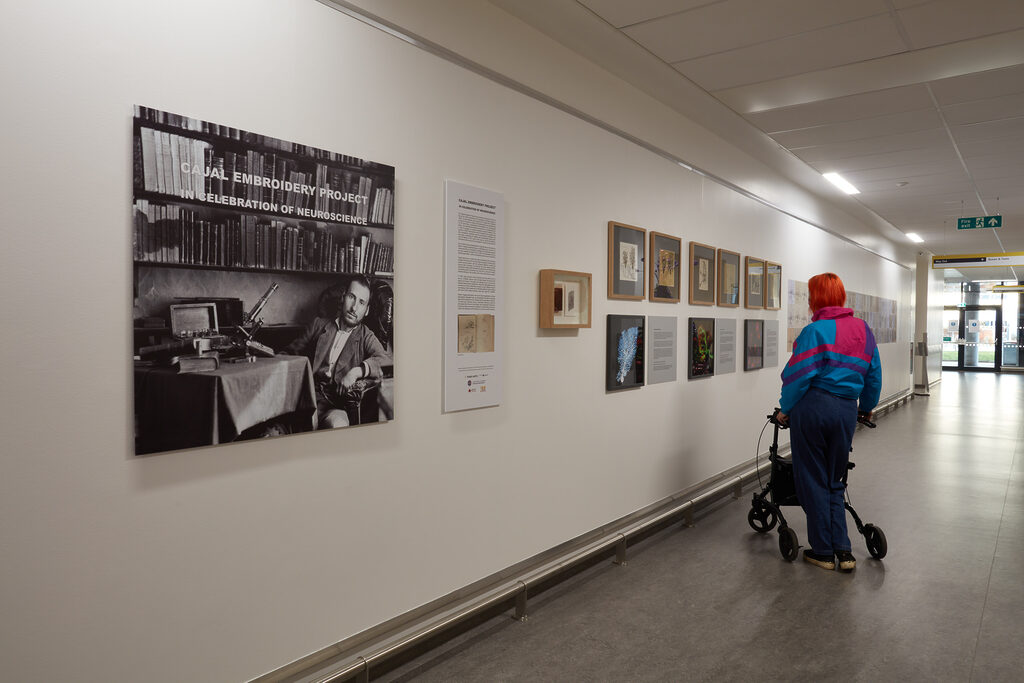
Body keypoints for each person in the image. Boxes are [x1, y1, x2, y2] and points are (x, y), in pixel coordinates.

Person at [777, 273, 882, 572]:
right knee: (836, 480)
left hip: (814, 407)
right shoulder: (864, 329)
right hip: (847, 410)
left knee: (812, 478)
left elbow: (798, 376)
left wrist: (786, 408)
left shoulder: (815, 331)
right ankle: (844, 551)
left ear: (815, 299)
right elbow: (873, 375)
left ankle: (822, 551)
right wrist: (867, 407)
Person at [285, 275, 389, 429]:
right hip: (305, 400)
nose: (354, 308)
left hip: (335, 406)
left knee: (337, 426)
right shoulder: (318, 325)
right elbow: (289, 353)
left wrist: (356, 372)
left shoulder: (366, 336)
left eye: (361, 302)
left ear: (367, 310)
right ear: (343, 297)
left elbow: (386, 360)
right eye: (351, 297)